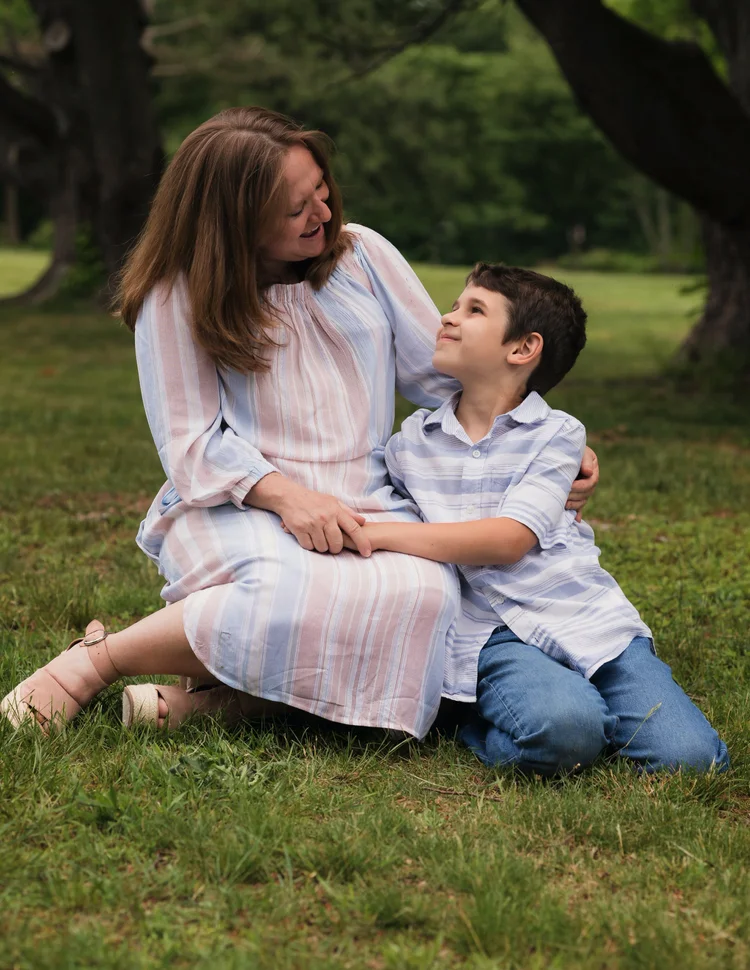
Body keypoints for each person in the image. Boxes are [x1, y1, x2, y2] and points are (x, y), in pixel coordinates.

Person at [1, 108, 598, 737]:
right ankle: (95, 662)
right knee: (282, 596)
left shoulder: (362, 256)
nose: (321, 214)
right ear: (232, 221)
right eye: (294, 209)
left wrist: (541, 443)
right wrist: (289, 498)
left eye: (322, 191)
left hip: (368, 495)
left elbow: (448, 379)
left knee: (423, 598)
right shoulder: (174, 293)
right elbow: (190, 442)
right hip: (235, 497)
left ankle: (220, 705)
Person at [340, 263, 729, 774]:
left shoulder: (559, 434)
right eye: (456, 305)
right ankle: (493, 718)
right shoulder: (410, 445)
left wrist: (383, 535)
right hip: (489, 632)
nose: (446, 317)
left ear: (523, 349)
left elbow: (509, 541)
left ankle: (579, 710)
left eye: (473, 309)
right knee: (565, 732)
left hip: (584, 617)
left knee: (692, 759)